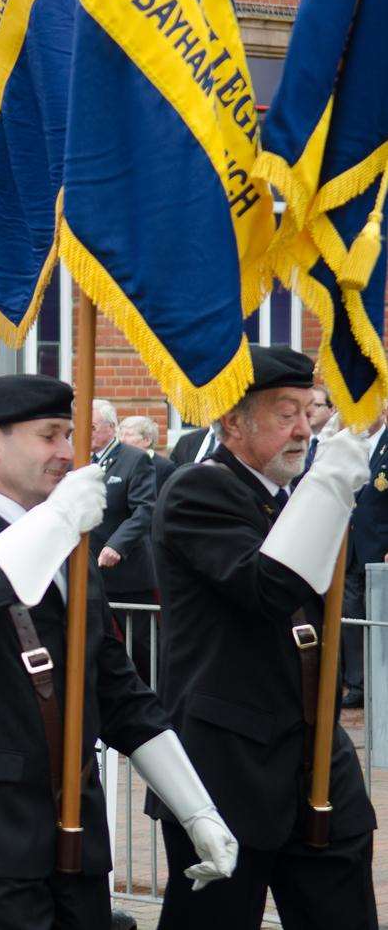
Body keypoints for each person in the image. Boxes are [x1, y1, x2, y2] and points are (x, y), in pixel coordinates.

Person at [0, 373, 236, 928]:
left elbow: (118, 691)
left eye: (68, 436)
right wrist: (57, 521)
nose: (67, 453)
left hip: (77, 830)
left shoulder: (72, 546)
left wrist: (196, 809)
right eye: (49, 435)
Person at [149, 345, 377, 928]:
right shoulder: (200, 491)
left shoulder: (290, 495)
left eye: (310, 411)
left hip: (312, 747)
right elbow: (267, 588)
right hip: (230, 759)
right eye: (285, 413)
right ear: (234, 422)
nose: (305, 429)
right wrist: (327, 488)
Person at [89, 400, 159, 683]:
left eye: (91, 427)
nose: (85, 432)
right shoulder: (75, 458)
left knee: (141, 650)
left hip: (127, 576)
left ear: (110, 427)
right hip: (88, 572)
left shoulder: (134, 459)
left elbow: (145, 510)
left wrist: (118, 545)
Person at [341, 405, 388, 709]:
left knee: (381, 619)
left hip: (380, 546)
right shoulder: (351, 448)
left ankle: (382, 681)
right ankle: (359, 684)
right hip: (352, 547)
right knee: (353, 618)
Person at [118, 415, 175, 488]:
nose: (122, 440)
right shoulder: (117, 463)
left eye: (128, 435)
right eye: (120, 435)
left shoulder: (165, 468)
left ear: (147, 440)